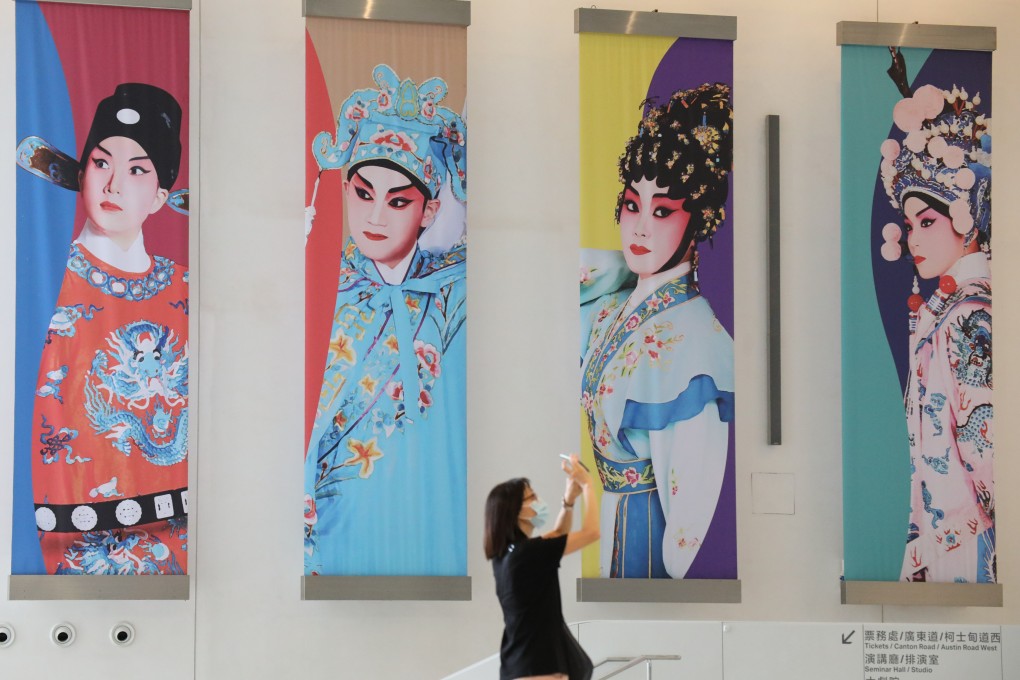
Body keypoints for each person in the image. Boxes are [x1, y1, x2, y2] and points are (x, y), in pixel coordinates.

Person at [304, 64, 468, 575]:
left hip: (431, 513)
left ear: (430, 208)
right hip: (336, 517)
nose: (375, 217)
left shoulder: (459, 291)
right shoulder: (321, 284)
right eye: (363, 193)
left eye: (398, 201)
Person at [26, 83, 189, 574]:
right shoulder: (41, 277)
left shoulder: (189, 288)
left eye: (137, 170)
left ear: (161, 194)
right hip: (56, 539)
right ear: (81, 171)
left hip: (177, 543)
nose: (113, 184)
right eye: (101, 162)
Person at [579, 83, 735, 579]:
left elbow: (693, 500)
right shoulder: (614, 307)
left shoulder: (695, 336)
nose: (640, 228)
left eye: (663, 211)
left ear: (700, 221)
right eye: (631, 205)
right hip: (615, 518)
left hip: (652, 537)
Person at [877, 80, 994, 583]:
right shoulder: (943, 311)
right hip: (940, 536)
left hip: (969, 540)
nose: (911, 240)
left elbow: (988, 454)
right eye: (908, 226)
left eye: (926, 222)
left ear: (967, 221)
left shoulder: (971, 317)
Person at [485, 454, 600, 680]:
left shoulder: (508, 556)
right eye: (532, 497)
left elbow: (558, 534)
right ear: (517, 511)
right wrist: (588, 485)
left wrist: (568, 501)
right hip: (538, 669)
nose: (538, 501)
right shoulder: (528, 554)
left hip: (520, 667)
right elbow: (592, 532)